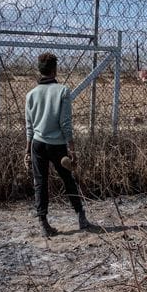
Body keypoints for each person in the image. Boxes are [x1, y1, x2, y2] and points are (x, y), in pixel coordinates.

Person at [24, 52, 91, 237]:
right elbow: (65, 123)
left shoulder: (30, 95)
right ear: (55, 69)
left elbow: (29, 125)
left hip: (37, 144)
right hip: (57, 145)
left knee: (40, 182)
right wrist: (72, 147)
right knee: (68, 179)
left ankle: (43, 222)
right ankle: (81, 216)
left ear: (40, 69)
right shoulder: (63, 91)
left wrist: (27, 149)